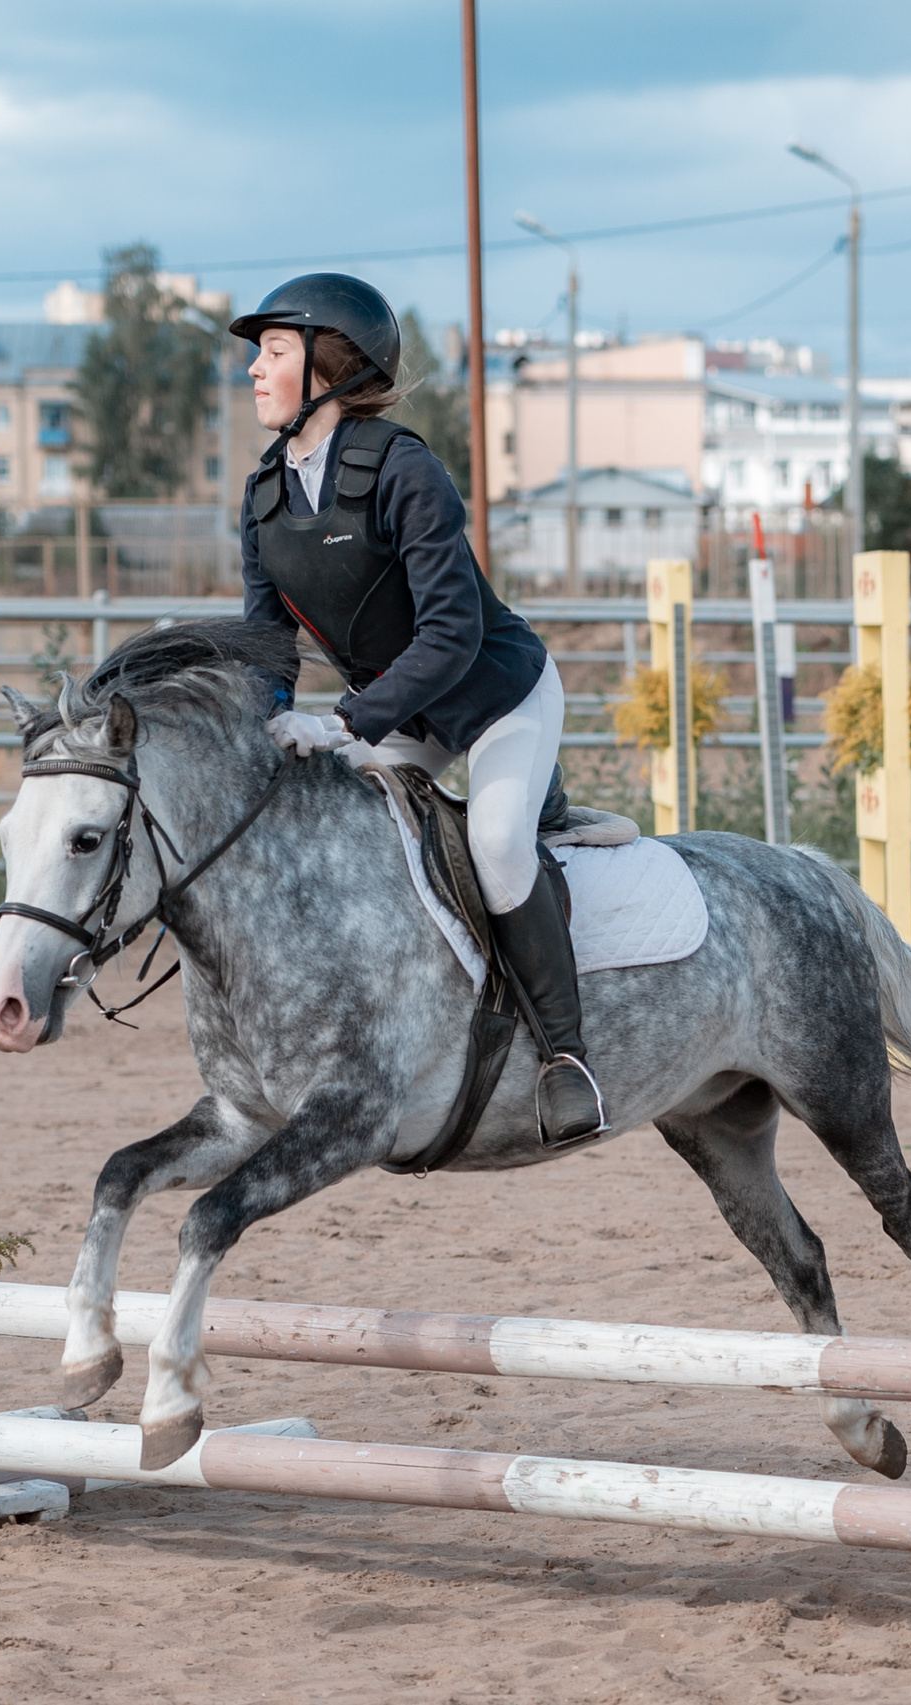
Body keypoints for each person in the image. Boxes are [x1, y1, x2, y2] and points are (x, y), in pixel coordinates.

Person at [229, 273, 604, 1146]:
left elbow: (451, 634)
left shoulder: (403, 468)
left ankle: (565, 1057)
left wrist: (345, 722)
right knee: (331, 821)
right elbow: (266, 643)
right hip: (402, 709)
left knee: (500, 841)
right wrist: (263, 721)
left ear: (329, 368)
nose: (253, 367)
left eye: (274, 351)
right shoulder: (264, 496)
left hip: (496, 692)